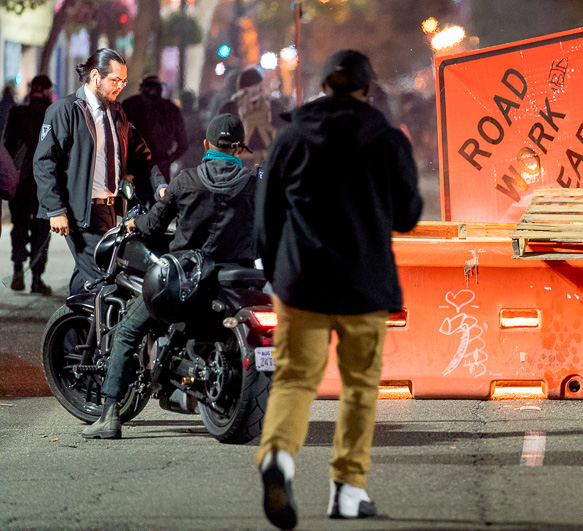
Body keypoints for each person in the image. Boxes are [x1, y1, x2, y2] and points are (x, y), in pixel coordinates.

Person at [255, 50, 422, 528]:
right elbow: (409, 216)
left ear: (325, 87)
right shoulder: (387, 139)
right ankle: (348, 490)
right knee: (360, 388)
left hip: (301, 282)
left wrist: (275, 273)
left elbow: (266, 218)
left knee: (293, 380)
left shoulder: (290, 139)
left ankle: (279, 460)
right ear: (368, 91)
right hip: (364, 284)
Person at [83, 113, 258, 439]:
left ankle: (109, 416)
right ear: (239, 150)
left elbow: (152, 228)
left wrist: (135, 224)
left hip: (186, 284)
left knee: (125, 331)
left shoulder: (186, 181)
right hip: (236, 282)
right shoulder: (254, 185)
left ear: (206, 145)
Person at [33, 49, 166, 296]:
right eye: (115, 80)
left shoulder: (116, 112)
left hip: (107, 209)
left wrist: (159, 184)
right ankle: (106, 334)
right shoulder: (65, 111)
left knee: (84, 280)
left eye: (123, 81)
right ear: (95, 76)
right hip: (79, 212)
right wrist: (55, 209)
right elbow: (44, 162)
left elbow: (140, 154)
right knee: (104, 278)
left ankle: (69, 332)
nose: (120, 86)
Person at [3, 75, 54, 294]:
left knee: (20, 225)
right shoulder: (55, 114)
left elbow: (7, 146)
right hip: (45, 182)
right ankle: (35, 278)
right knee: (41, 228)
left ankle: (17, 271)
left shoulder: (17, 113)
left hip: (20, 181)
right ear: (47, 90)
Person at [121, 74, 188, 181]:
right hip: (156, 165)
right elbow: (183, 142)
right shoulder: (171, 109)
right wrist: (169, 159)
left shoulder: (129, 105)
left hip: (137, 164)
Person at [220, 66, 285, 170]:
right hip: (243, 165)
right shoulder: (230, 109)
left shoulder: (275, 108)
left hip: (263, 164)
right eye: (249, 86)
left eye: (255, 86)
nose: (253, 91)